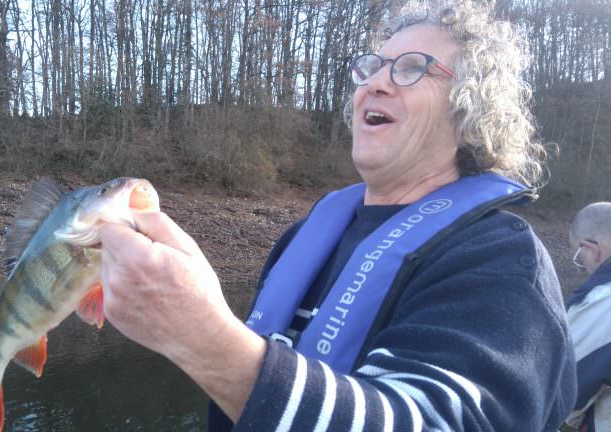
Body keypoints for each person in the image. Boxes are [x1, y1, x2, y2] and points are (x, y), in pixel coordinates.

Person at [95, 1, 576, 430]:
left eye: (412, 69)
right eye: (372, 67)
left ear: (469, 109)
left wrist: (203, 340)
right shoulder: (305, 236)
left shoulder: (501, 260)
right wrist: (184, 309)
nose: (376, 83)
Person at [564, 202, 611, 432]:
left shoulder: (601, 301)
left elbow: (565, 392)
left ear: (593, 248)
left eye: (578, 256)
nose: (583, 266)